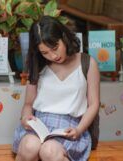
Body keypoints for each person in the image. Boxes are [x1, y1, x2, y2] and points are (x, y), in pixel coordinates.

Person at [12, 16, 100, 161]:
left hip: (70, 129)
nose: (53, 56)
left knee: (50, 150)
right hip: (39, 126)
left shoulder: (87, 63)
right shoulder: (38, 64)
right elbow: (28, 104)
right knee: (29, 146)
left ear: (64, 37)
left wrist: (79, 130)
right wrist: (25, 118)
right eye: (45, 53)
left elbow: (93, 104)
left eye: (55, 48)